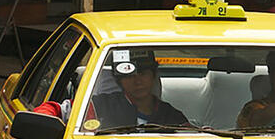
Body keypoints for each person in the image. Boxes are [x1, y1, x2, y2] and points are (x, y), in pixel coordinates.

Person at [34, 50, 188, 128]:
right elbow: (55, 110)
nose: (137, 81)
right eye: (129, 76)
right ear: (119, 80)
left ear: (153, 76)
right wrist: (42, 118)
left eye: (143, 73)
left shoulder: (172, 117)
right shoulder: (97, 106)